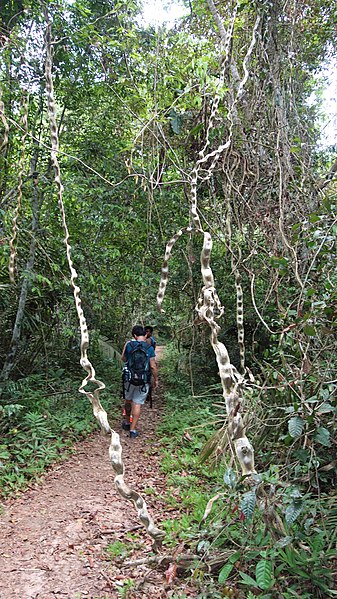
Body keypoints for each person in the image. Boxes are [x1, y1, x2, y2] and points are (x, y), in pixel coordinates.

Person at [121, 325, 158, 438]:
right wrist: (156, 379)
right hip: (143, 380)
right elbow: (152, 366)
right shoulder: (149, 348)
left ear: (134, 335)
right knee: (137, 403)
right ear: (145, 335)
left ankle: (127, 422)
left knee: (128, 400)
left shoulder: (129, 344)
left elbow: (123, 358)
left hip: (129, 378)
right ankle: (133, 430)